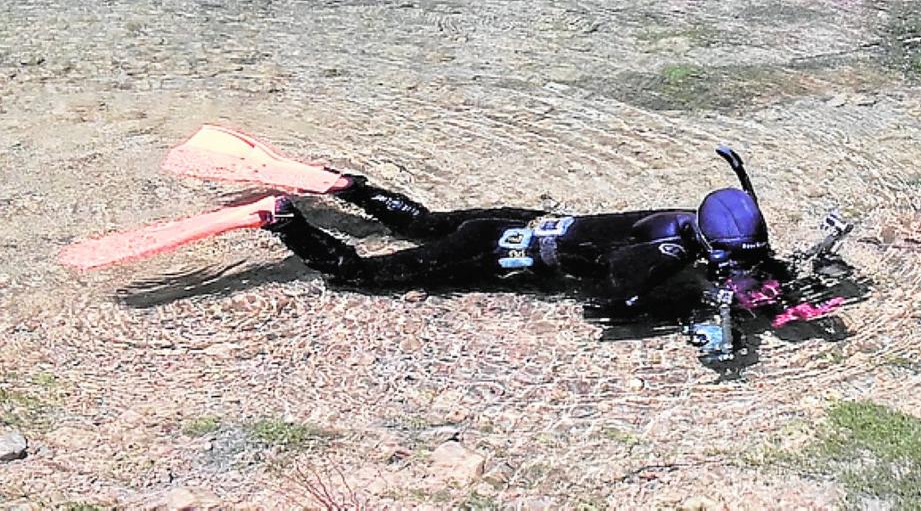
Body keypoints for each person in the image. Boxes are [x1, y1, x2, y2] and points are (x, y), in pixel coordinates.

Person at [60, 127, 857, 364]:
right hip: (493, 258)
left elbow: (728, 263)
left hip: (519, 221)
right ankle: (280, 217)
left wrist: (764, 282)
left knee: (425, 218)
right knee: (363, 278)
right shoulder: (661, 257)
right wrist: (687, 317)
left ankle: (341, 184)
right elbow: (609, 309)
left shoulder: (677, 220)